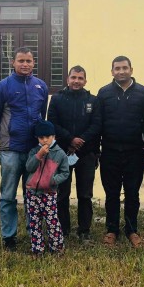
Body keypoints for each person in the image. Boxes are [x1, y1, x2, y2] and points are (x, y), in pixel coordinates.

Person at [0, 47, 48, 251]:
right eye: (21, 60)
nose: (25, 64)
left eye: (29, 61)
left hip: (33, 150)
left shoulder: (41, 86)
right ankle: (9, 236)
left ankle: (34, 233)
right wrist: (5, 138)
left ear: (34, 62)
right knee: (8, 195)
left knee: (33, 194)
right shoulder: (2, 87)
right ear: (13, 63)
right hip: (10, 150)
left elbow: (42, 115)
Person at [97, 55, 144, 248]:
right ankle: (111, 230)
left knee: (132, 193)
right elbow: (98, 123)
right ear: (112, 71)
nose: (121, 71)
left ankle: (131, 230)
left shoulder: (143, 93)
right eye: (117, 68)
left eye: (124, 68)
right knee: (111, 193)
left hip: (135, 152)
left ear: (131, 70)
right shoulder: (104, 93)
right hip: (109, 152)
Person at [47, 65, 101, 243]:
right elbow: (52, 123)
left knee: (85, 195)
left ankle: (84, 230)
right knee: (62, 193)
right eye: (73, 77)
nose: (76, 81)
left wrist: (80, 141)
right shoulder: (57, 99)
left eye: (80, 78)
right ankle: (63, 229)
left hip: (86, 153)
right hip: (62, 153)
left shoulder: (93, 100)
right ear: (67, 79)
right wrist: (70, 139)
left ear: (85, 81)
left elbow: (97, 125)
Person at [25, 121, 70, 257]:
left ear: (54, 136)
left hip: (49, 193)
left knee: (52, 221)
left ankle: (56, 247)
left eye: (47, 137)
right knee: (34, 222)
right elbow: (29, 167)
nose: (44, 140)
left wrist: (53, 180)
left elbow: (65, 173)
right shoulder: (34, 151)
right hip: (32, 193)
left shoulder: (60, 153)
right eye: (41, 137)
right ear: (37, 138)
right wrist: (38, 155)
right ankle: (37, 248)